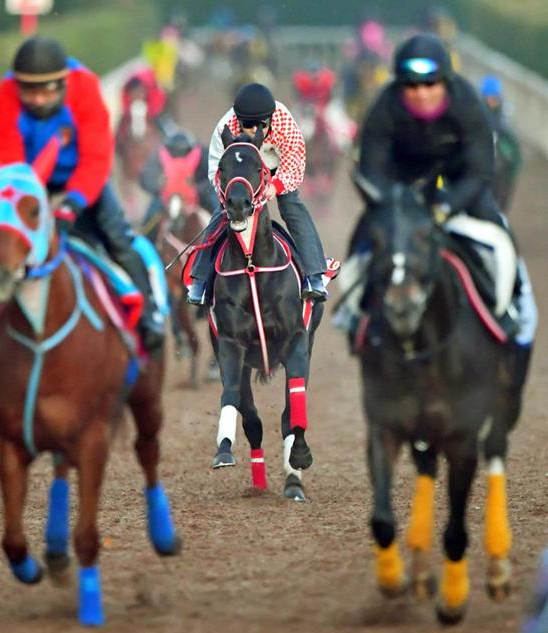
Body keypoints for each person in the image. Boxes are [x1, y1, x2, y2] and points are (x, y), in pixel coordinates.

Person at [335, 33, 535, 383]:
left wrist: (446, 206)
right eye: (411, 86)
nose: (422, 93)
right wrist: (399, 204)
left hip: (458, 185)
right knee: (363, 235)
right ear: (399, 87)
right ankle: (356, 313)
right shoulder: (384, 108)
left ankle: (510, 303)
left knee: (499, 230)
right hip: (401, 189)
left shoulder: (468, 104)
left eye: (431, 84)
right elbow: (371, 169)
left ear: (446, 82)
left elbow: (481, 170)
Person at [0, 36, 165, 357]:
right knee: (4, 244)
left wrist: (72, 204)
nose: (38, 99)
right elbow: (6, 158)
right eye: (28, 91)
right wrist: (27, 201)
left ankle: (149, 313)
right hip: (30, 183)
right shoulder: (5, 94)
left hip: (82, 178)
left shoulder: (84, 86)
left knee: (117, 239)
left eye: (47, 91)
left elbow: (97, 157)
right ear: (17, 86)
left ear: (63, 84)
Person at [186, 82, 329, 304]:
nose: (253, 130)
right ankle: (200, 281)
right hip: (240, 173)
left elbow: (294, 164)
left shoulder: (285, 124)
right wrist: (228, 196)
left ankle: (314, 275)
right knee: (222, 213)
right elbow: (216, 169)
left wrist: (275, 186)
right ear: (238, 120)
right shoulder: (226, 127)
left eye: (260, 124)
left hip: (276, 170)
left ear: (270, 119)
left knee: (292, 206)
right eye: (247, 124)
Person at [139, 130, 219, 239]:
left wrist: (197, 189)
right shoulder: (159, 155)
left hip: (198, 196)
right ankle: (145, 243)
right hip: (167, 197)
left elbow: (214, 176)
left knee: (218, 214)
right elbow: (146, 177)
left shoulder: (203, 154)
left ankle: (223, 236)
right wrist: (159, 186)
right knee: (149, 221)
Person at [479, 75, 523, 213]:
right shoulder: (476, 113)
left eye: (494, 97)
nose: (492, 100)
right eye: (489, 97)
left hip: (500, 177)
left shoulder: (502, 119)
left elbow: (514, 157)